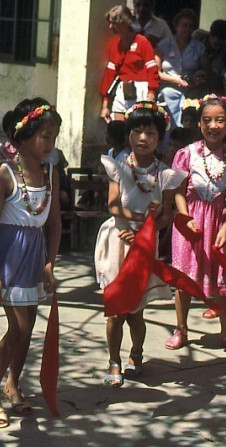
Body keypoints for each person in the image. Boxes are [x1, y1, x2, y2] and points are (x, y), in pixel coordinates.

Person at [0, 98, 62, 428]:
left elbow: (54, 224)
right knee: (19, 328)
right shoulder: (6, 175)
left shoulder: (51, 173)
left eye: (53, 136)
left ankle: (14, 383)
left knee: (28, 331)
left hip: (35, 260)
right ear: (24, 136)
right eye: (44, 135)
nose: (49, 143)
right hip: (9, 260)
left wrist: (50, 264)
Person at [95, 102, 186, 386]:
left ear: (160, 138)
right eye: (137, 132)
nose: (143, 138)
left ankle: (136, 352)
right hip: (118, 242)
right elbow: (112, 206)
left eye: (150, 133)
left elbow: (166, 217)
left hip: (145, 246)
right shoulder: (118, 167)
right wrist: (138, 220)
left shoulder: (165, 175)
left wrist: (149, 227)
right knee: (115, 309)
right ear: (128, 136)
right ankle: (113, 360)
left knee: (135, 311)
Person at [165, 94, 226, 354]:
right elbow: (178, 190)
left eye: (220, 121)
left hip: (218, 225)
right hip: (190, 223)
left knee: (223, 277)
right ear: (199, 125)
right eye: (207, 121)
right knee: (185, 278)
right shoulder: (185, 155)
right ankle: (181, 329)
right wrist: (185, 217)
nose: (213, 126)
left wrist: (225, 227)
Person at [100, 5, 159, 123]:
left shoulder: (142, 42)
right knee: (119, 129)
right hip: (123, 90)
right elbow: (110, 75)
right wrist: (105, 105)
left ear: (125, 23)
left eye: (114, 23)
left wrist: (151, 95)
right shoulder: (114, 45)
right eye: (110, 23)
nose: (111, 27)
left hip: (142, 91)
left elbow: (152, 70)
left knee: (137, 129)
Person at [155, 8, 205, 127]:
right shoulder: (164, 45)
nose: (187, 29)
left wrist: (199, 76)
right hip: (168, 91)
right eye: (184, 25)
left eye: (190, 26)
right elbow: (154, 73)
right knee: (168, 127)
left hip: (191, 92)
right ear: (176, 26)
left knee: (189, 126)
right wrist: (176, 80)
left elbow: (207, 71)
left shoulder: (199, 47)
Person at [194, 19, 226, 95]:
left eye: (221, 43)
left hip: (209, 82)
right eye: (216, 43)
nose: (218, 47)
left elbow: (217, 74)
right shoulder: (198, 37)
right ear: (211, 34)